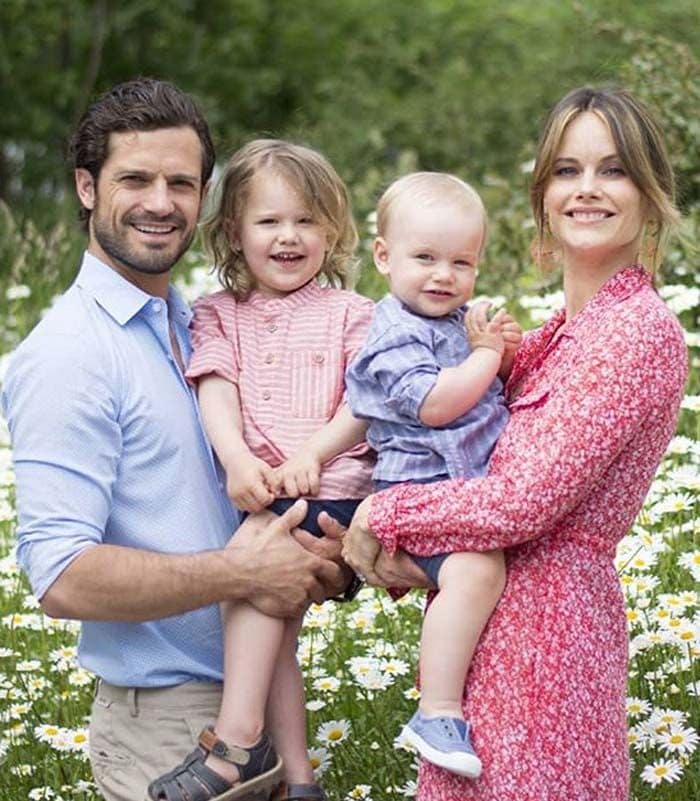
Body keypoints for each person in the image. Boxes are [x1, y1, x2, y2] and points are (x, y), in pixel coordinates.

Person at [0, 79, 355, 801]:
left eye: (181, 182)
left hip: (258, 701)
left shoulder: (199, 322)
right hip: (168, 732)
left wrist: (328, 566)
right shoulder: (70, 353)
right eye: (135, 178)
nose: (160, 201)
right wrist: (245, 573)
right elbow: (61, 576)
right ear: (86, 187)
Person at [341, 86, 688, 801]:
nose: (586, 188)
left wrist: (382, 515)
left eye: (613, 169)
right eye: (565, 169)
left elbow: (521, 504)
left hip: (547, 651)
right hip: (490, 643)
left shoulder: (635, 331)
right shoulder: (561, 332)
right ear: (542, 193)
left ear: (650, 194)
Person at [146, 139, 376, 801]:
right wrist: (238, 458)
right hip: (265, 490)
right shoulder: (220, 313)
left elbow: (367, 399)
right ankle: (300, 778)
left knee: (246, 579)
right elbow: (215, 385)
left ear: (331, 230)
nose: (288, 236)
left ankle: (234, 744)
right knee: (272, 630)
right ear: (233, 232)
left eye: (306, 220)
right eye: (269, 221)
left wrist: (314, 454)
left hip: (327, 492)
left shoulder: (352, 315)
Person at [345, 172, 522, 778]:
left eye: (461, 261)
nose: (444, 275)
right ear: (384, 257)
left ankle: (450, 704)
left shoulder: (459, 321)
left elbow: (490, 386)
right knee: (475, 571)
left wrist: (506, 351)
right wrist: (486, 357)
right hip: (417, 492)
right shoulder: (393, 333)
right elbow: (437, 404)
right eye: (425, 258)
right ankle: (437, 711)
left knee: (481, 573)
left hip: (460, 486)